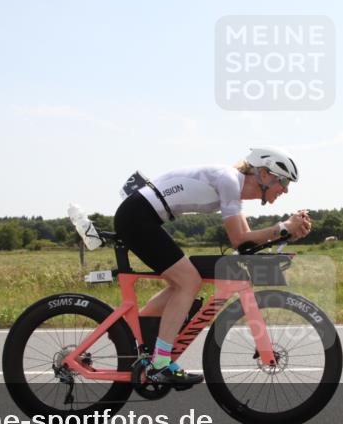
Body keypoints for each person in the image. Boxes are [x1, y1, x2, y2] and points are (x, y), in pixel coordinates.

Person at [113, 147, 312, 387]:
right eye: (284, 182)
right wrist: (282, 227)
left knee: (184, 281)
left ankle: (133, 335)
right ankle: (160, 364)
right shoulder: (229, 180)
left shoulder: (232, 189)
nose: (286, 190)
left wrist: (285, 235)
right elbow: (239, 239)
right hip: (137, 216)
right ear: (265, 174)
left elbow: (245, 243)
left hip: (142, 216)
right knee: (188, 281)